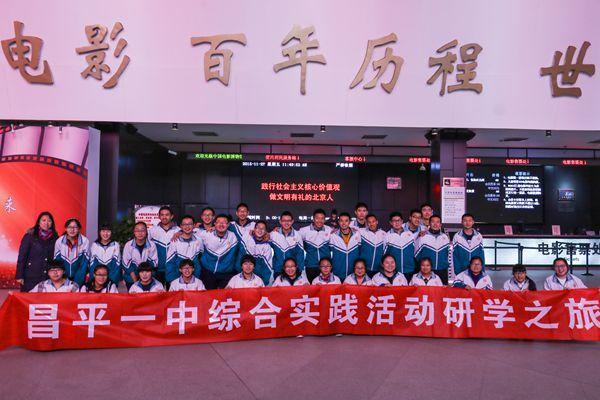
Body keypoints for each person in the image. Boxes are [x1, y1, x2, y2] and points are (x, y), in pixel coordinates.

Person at [16, 211, 58, 292]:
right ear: (39, 222)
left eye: (49, 221)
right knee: (29, 298)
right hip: (31, 276)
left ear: (52, 223)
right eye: (43, 220)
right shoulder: (30, 236)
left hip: (48, 276)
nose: (46, 223)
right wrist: (19, 275)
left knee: (46, 299)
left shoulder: (55, 238)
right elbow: (22, 256)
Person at [200, 214, 241, 289]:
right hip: (208, 271)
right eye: (218, 222)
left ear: (228, 225)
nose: (221, 224)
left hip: (226, 273)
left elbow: (246, 236)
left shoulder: (233, 236)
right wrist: (179, 232)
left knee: (225, 295)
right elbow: (190, 234)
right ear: (214, 224)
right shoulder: (206, 234)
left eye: (224, 222)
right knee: (208, 295)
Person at [165, 215, 204, 283]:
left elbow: (200, 259)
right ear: (181, 226)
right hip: (177, 278)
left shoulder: (199, 240)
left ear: (194, 225)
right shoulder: (175, 241)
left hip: (195, 278)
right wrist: (172, 280)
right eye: (184, 224)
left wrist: (198, 275)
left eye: (190, 224)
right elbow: (170, 262)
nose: (187, 227)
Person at [147, 206, 180, 284]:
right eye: (162, 215)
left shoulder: (178, 230)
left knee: (172, 291)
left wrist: (181, 232)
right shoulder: (152, 231)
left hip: (173, 268)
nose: (164, 217)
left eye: (167, 215)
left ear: (171, 216)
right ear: (159, 216)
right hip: (157, 269)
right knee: (158, 291)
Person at [54, 218, 90, 287]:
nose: (72, 230)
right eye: (69, 227)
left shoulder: (85, 241)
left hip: (80, 279)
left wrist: (77, 282)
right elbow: (57, 263)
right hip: (63, 279)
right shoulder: (59, 241)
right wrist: (63, 280)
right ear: (65, 229)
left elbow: (84, 264)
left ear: (79, 229)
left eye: (75, 227)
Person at [415, 215, 450, 284]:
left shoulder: (445, 237)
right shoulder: (423, 236)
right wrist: (424, 266)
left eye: (437, 222)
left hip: (442, 270)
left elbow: (448, 254)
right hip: (427, 270)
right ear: (429, 223)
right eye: (433, 222)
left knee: (442, 289)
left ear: (440, 224)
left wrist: (444, 264)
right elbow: (416, 254)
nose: (435, 224)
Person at [122, 222, 159, 288]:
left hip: (147, 275)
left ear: (146, 232)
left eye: (142, 230)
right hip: (132, 276)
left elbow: (154, 263)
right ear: (134, 232)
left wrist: (144, 277)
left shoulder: (152, 245)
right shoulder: (128, 245)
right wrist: (135, 282)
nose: (140, 233)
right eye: (137, 230)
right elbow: (126, 264)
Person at [299, 208, 332, 282]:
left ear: (325, 220)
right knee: (313, 287)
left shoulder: (329, 230)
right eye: (317, 218)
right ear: (313, 219)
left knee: (327, 288)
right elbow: (293, 235)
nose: (319, 221)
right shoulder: (304, 231)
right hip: (311, 266)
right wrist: (279, 229)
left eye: (322, 218)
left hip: (326, 266)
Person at [238, 220, 274, 286]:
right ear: (254, 229)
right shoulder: (246, 238)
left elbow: (267, 267)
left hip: (257, 281)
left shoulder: (266, 247)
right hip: (242, 278)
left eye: (263, 228)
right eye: (258, 227)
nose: (260, 230)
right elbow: (240, 257)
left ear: (265, 231)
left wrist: (263, 283)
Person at [270, 211, 304, 278]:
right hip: (278, 269)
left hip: (292, 270)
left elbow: (300, 254)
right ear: (280, 221)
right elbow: (262, 240)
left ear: (292, 221)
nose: (286, 223)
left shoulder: (297, 235)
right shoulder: (273, 234)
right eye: (284, 221)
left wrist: (299, 270)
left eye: (288, 221)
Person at [384, 212, 417, 282]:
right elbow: (384, 255)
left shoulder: (410, 234)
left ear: (402, 221)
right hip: (395, 271)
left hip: (410, 270)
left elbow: (415, 251)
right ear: (390, 222)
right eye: (394, 221)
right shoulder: (387, 236)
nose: (397, 223)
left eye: (398, 220)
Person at [329, 212, 361, 280]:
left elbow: (360, 250)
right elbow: (330, 251)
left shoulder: (357, 234)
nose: (343, 223)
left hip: (353, 273)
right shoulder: (333, 235)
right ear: (338, 222)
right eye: (341, 221)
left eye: (346, 221)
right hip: (338, 273)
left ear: (350, 222)